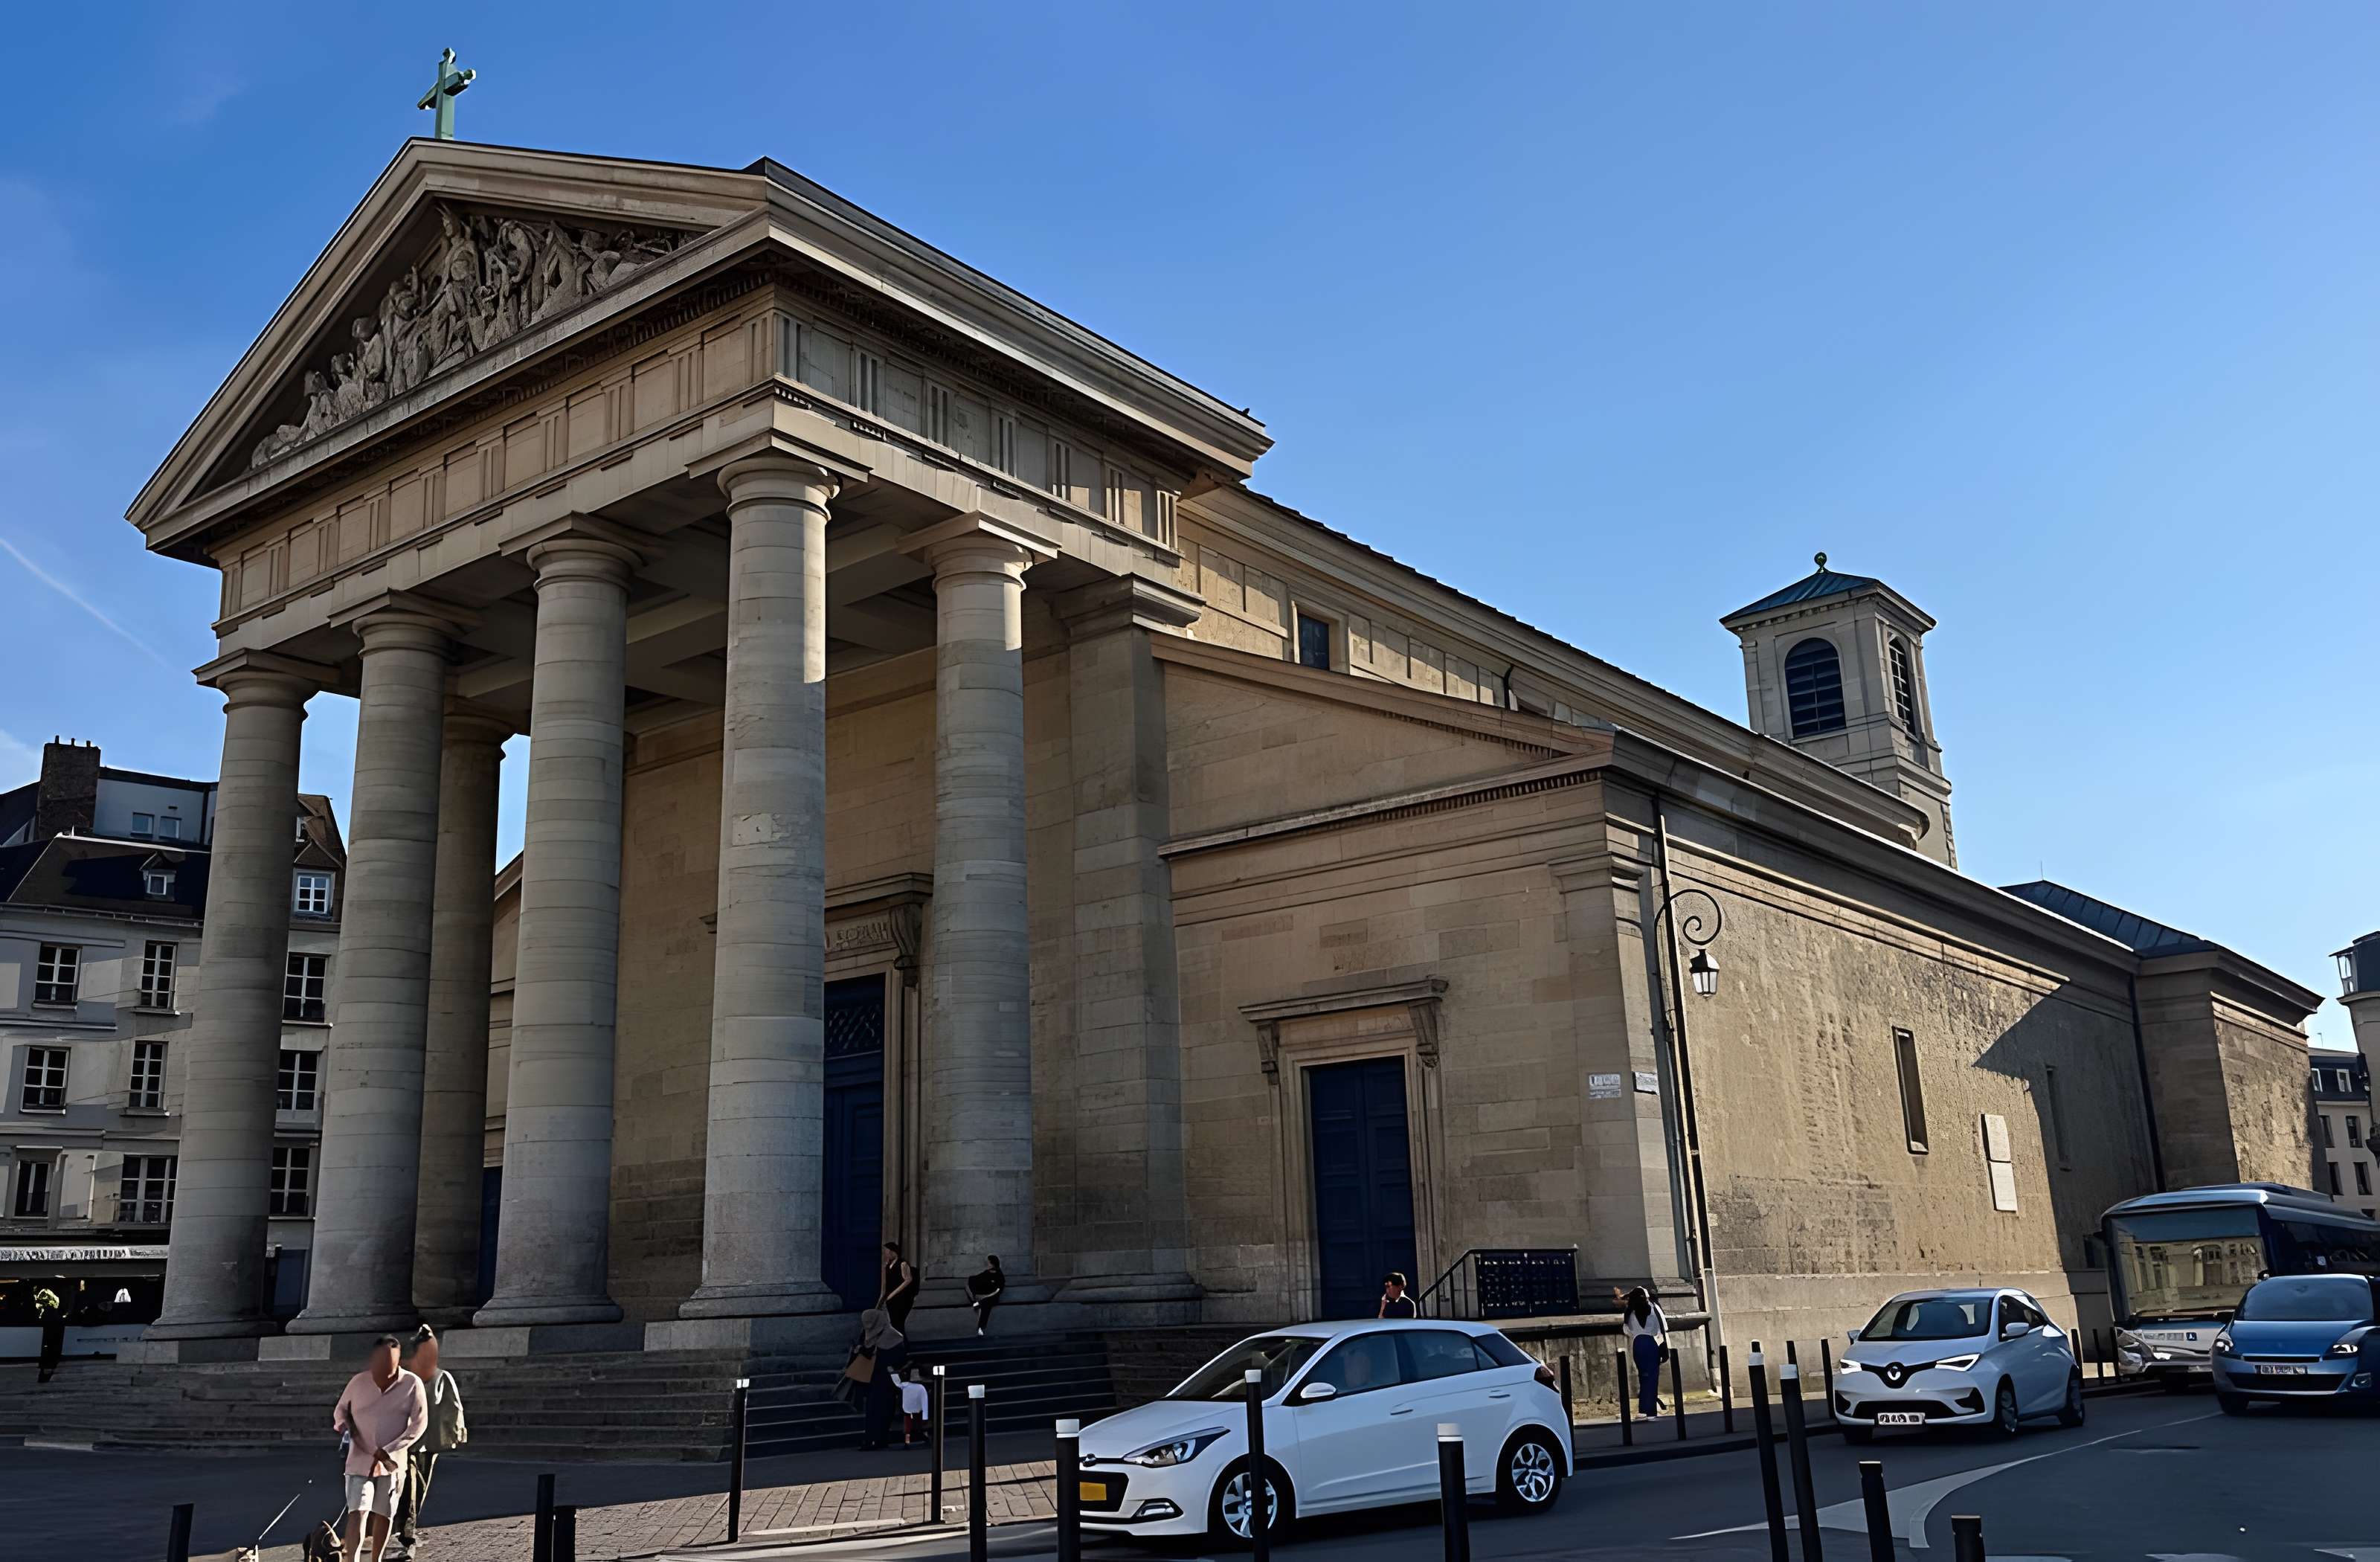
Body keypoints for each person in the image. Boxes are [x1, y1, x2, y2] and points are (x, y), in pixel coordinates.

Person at [331, 1334, 428, 1562]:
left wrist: (392, 1449)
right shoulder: (358, 1382)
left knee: (384, 1514)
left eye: (391, 1362)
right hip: (359, 1460)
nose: (385, 1368)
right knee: (358, 1511)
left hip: (392, 1464)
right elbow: (340, 1411)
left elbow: (419, 1423)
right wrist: (345, 1428)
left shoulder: (412, 1384)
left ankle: (376, 1559)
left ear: (399, 1359)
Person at [387, 1326, 466, 1560]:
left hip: (429, 1441)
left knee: (419, 1486)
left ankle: (404, 1528)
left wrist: (454, 1433)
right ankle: (406, 1534)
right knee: (409, 1487)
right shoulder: (403, 1377)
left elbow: (453, 1407)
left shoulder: (441, 1376)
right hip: (407, 1442)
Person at [853, 1308, 909, 1450]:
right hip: (873, 1380)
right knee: (873, 1411)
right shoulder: (868, 1334)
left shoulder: (893, 1336)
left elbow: (898, 1358)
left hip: (886, 1380)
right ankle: (873, 1439)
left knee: (883, 1410)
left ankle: (879, 1439)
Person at [1620, 1285, 1667, 1418]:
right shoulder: (1651, 1310)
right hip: (1651, 1343)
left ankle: (1643, 1408)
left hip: (1637, 1344)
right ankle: (1651, 1410)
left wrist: (1636, 1332)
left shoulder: (1629, 1313)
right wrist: (1663, 1348)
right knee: (1653, 1378)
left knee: (1643, 1377)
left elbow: (1626, 1331)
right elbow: (1658, 1330)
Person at [877, 1241, 918, 1333]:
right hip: (891, 1301)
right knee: (895, 1326)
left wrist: (892, 1295)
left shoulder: (902, 1264)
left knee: (898, 1326)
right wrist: (880, 1303)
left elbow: (909, 1279)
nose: (886, 1254)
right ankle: (900, 1345)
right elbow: (885, 1285)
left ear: (892, 1252)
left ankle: (904, 1346)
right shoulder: (888, 1265)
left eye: (887, 1252)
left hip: (901, 1300)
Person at [967, 1256, 1005, 1337]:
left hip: (994, 1297)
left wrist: (988, 1296)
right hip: (985, 1297)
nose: (987, 1264)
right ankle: (980, 1327)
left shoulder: (999, 1274)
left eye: (989, 1262)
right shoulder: (987, 1272)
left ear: (993, 1263)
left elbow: (999, 1290)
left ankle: (980, 1327)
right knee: (985, 1304)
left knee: (986, 1304)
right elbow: (975, 1279)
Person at [899, 1366, 930, 1447]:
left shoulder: (906, 1387)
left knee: (908, 1428)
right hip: (916, 1409)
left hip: (910, 1409)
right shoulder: (921, 1388)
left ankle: (907, 1443)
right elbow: (925, 1403)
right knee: (917, 1426)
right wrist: (925, 1416)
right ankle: (924, 1439)